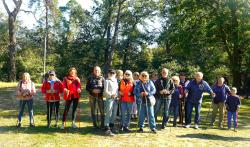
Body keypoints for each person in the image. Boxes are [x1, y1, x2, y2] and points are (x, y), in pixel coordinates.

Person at [103, 69, 119, 136]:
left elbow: (117, 90)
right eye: (110, 73)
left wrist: (117, 96)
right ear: (108, 73)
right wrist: (110, 95)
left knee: (114, 113)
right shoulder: (107, 81)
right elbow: (105, 91)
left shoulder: (115, 81)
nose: (112, 74)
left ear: (115, 74)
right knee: (108, 113)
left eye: (113, 73)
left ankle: (112, 125)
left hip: (115, 99)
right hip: (109, 98)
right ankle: (106, 127)